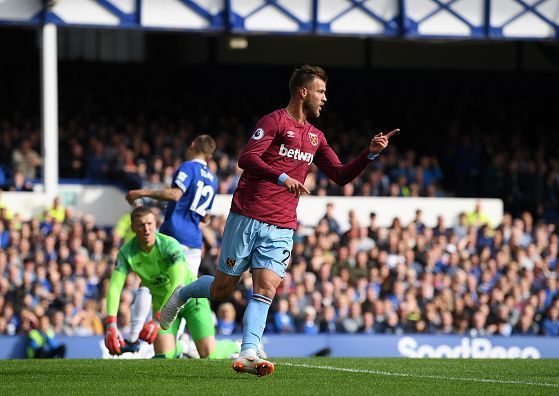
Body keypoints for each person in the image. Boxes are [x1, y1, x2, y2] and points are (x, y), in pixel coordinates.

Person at [160, 65, 398, 376]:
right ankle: (182, 294)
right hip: (247, 214)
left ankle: (248, 352)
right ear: (303, 92)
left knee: (267, 285)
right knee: (221, 290)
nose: (325, 98)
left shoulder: (316, 137)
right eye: (320, 91)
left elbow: (339, 175)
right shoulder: (274, 121)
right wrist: (282, 176)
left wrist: (369, 153)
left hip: (283, 224)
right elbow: (246, 158)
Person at [122, 135, 217, 353]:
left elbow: (175, 194)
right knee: (182, 292)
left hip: (174, 234)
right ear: (210, 154)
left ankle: (135, 337)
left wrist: (143, 192)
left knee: (148, 283)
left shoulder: (188, 168)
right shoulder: (213, 178)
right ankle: (178, 343)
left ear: (192, 144)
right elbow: (205, 218)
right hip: (194, 242)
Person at [104, 206, 215, 358]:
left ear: (155, 223)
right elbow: (115, 287)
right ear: (133, 228)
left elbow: (178, 283)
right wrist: (111, 324)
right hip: (162, 305)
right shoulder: (126, 252)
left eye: (149, 224)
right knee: (163, 358)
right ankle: (181, 347)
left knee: (209, 355)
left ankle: (232, 347)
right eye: (141, 225)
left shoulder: (169, 245)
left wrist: (157, 319)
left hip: (189, 300)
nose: (146, 229)